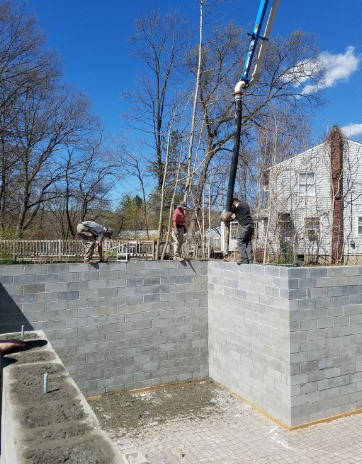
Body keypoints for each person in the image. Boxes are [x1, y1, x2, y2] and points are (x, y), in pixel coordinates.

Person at [224, 198, 254, 264]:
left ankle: (244, 259)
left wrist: (226, 218)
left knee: (240, 240)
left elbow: (229, 214)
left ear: (233, 202)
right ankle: (250, 259)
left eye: (232, 205)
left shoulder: (236, 206)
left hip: (244, 225)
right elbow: (241, 215)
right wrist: (233, 219)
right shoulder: (245, 204)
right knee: (248, 242)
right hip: (251, 225)